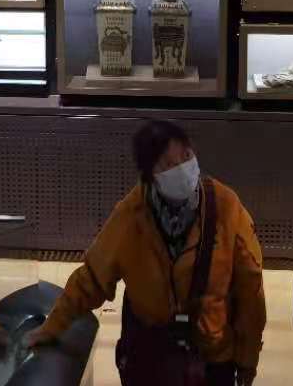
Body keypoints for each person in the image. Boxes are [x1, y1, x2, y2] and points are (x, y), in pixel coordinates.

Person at [25, 119, 265, 386]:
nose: (182, 168)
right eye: (168, 164)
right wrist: (51, 327)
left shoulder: (226, 206)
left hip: (211, 358)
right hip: (152, 357)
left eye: (186, 156)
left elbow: (250, 289)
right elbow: (91, 279)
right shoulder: (132, 215)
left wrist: (248, 360)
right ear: (151, 175)